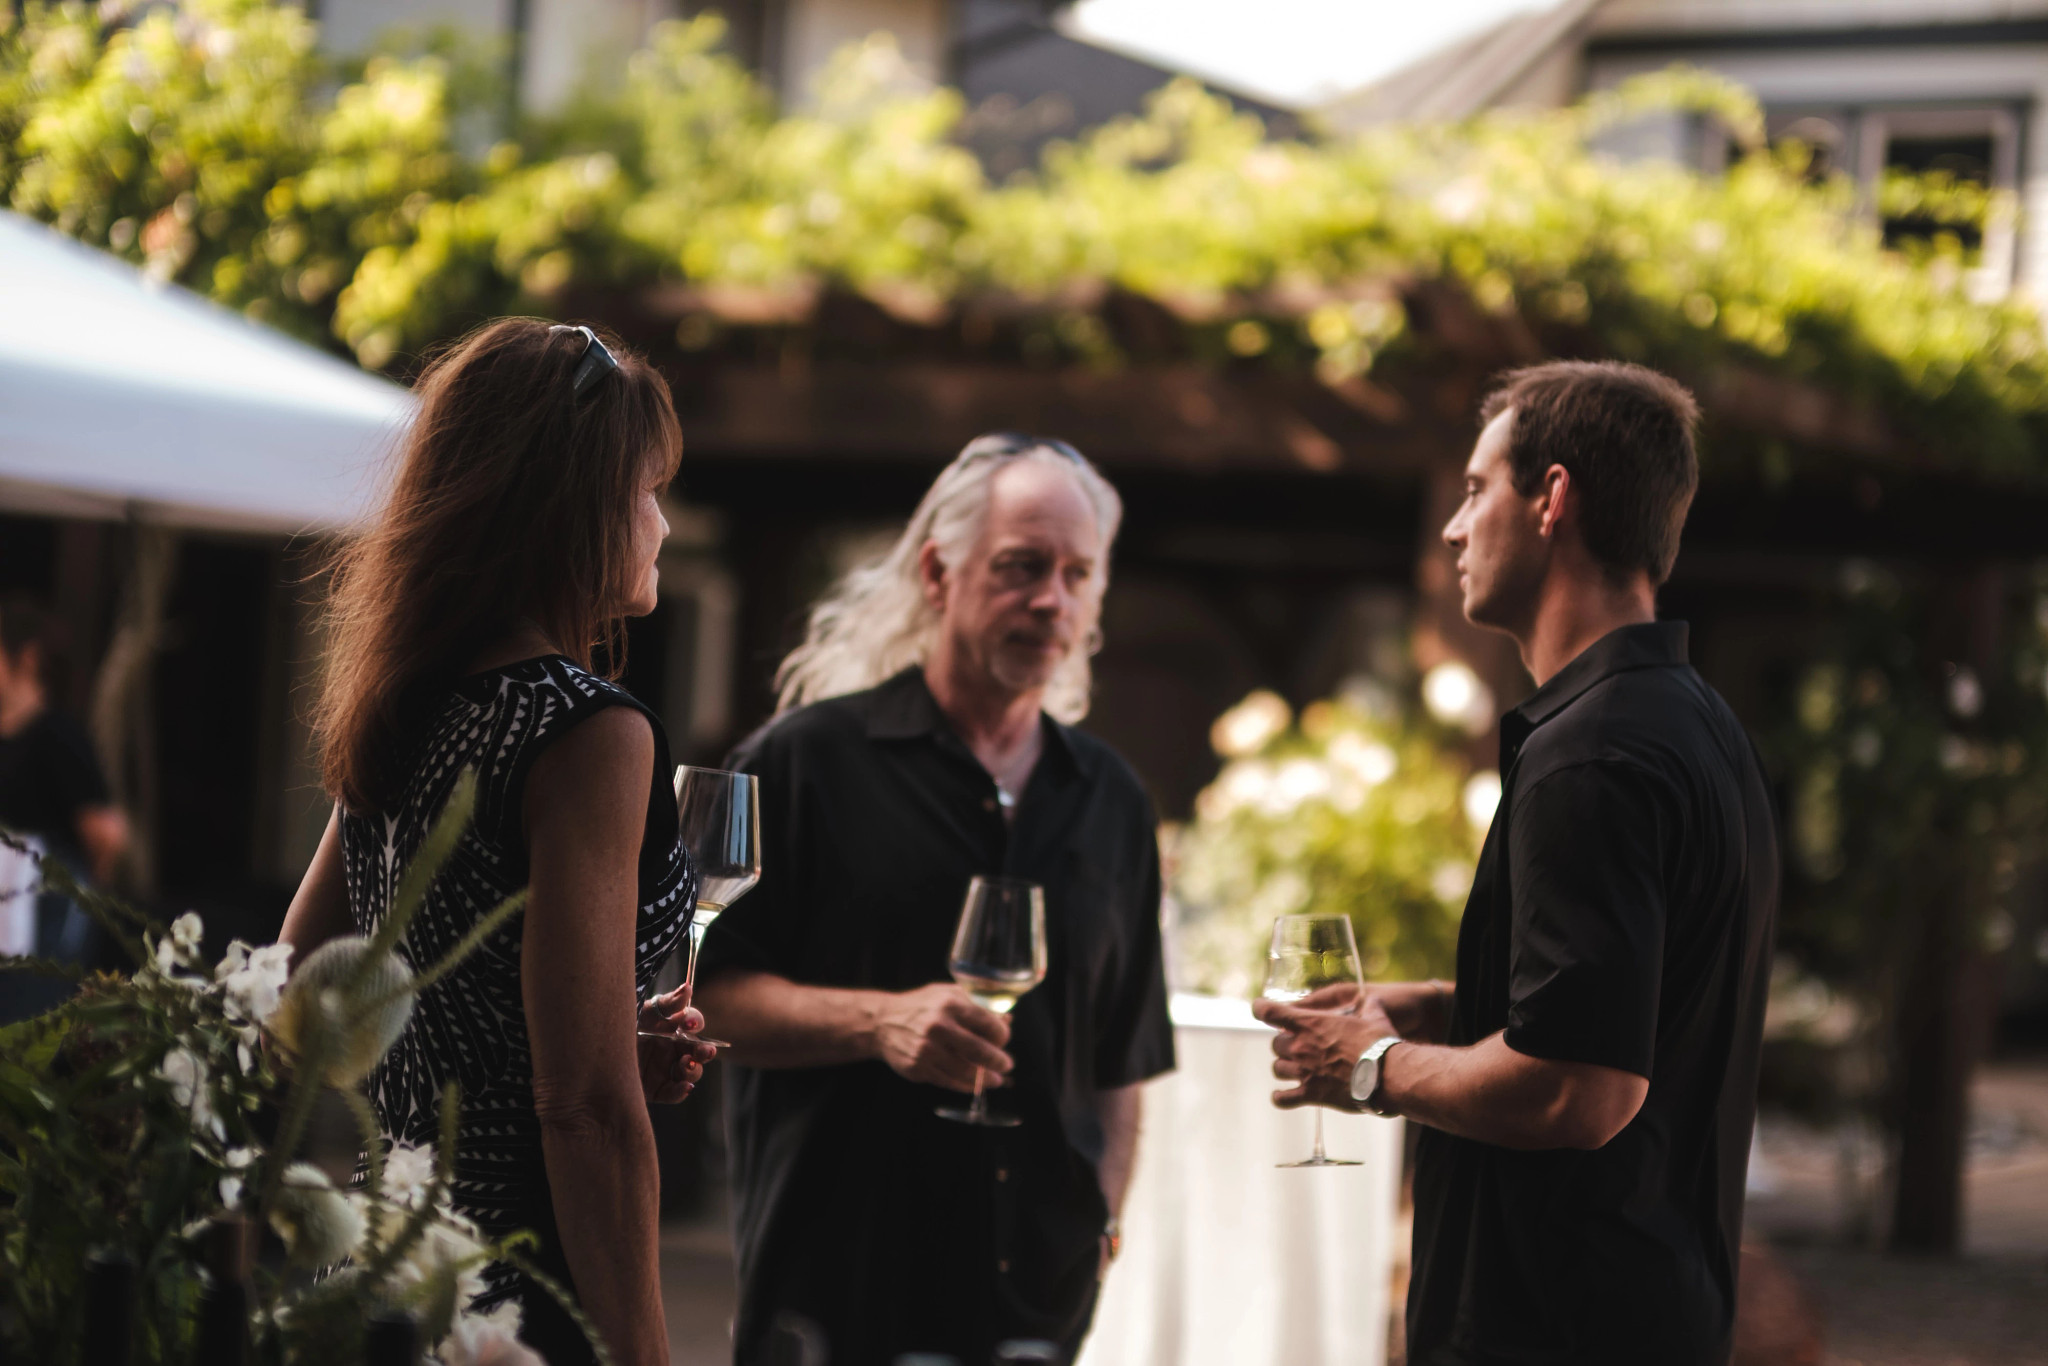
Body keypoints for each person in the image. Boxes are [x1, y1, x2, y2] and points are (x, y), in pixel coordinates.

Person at [1256, 361, 1778, 1366]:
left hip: (1555, 1331)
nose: (1453, 530)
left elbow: (1580, 1089)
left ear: (1550, 499)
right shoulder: (1700, 727)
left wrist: (1367, 1066)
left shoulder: (1592, 753)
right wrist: (1448, 1009)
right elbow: (1637, 1014)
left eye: (1473, 490)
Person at [279, 319, 716, 1366]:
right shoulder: (589, 731)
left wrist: (523, 1046)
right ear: (573, 506)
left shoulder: (405, 702)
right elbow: (586, 1109)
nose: (662, 525)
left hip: (380, 1270)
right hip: (513, 1294)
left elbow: (298, 994)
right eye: (646, 491)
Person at [694, 433, 1175, 1366]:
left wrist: (1103, 1225)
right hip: (834, 1297)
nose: (1053, 599)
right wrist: (878, 1022)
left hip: (1034, 1309)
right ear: (936, 573)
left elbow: (1123, 1057)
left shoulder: (1113, 799)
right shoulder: (803, 763)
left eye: (1078, 574)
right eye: (1022, 566)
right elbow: (700, 998)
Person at [0, 593, 129, 1022]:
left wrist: (80, 895)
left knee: (29, 1021)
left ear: (26, 658)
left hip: (44, 909)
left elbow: (107, 832)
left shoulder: (58, 735)